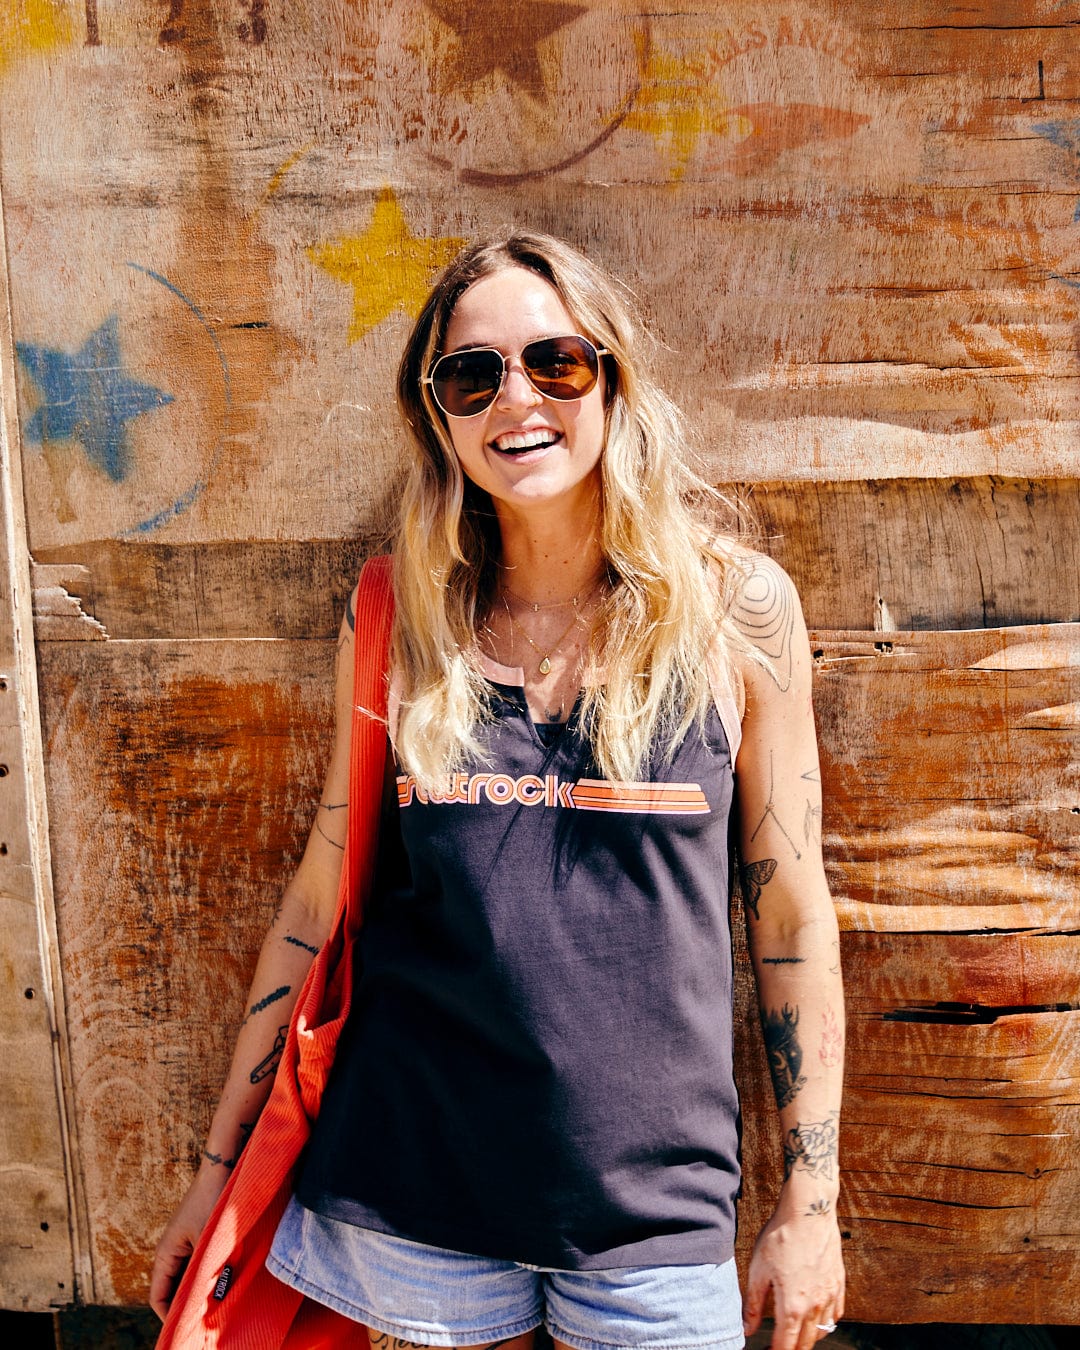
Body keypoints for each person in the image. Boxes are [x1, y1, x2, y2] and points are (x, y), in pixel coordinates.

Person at [151, 231, 845, 1350]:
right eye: (473, 377)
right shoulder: (399, 616)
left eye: (555, 362)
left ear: (611, 377)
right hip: (419, 1205)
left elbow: (792, 915)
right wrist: (213, 1184)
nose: (516, 398)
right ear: (438, 416)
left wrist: (810, 1207)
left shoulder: (737, 611)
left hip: (654, 1223)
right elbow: (316, 903)